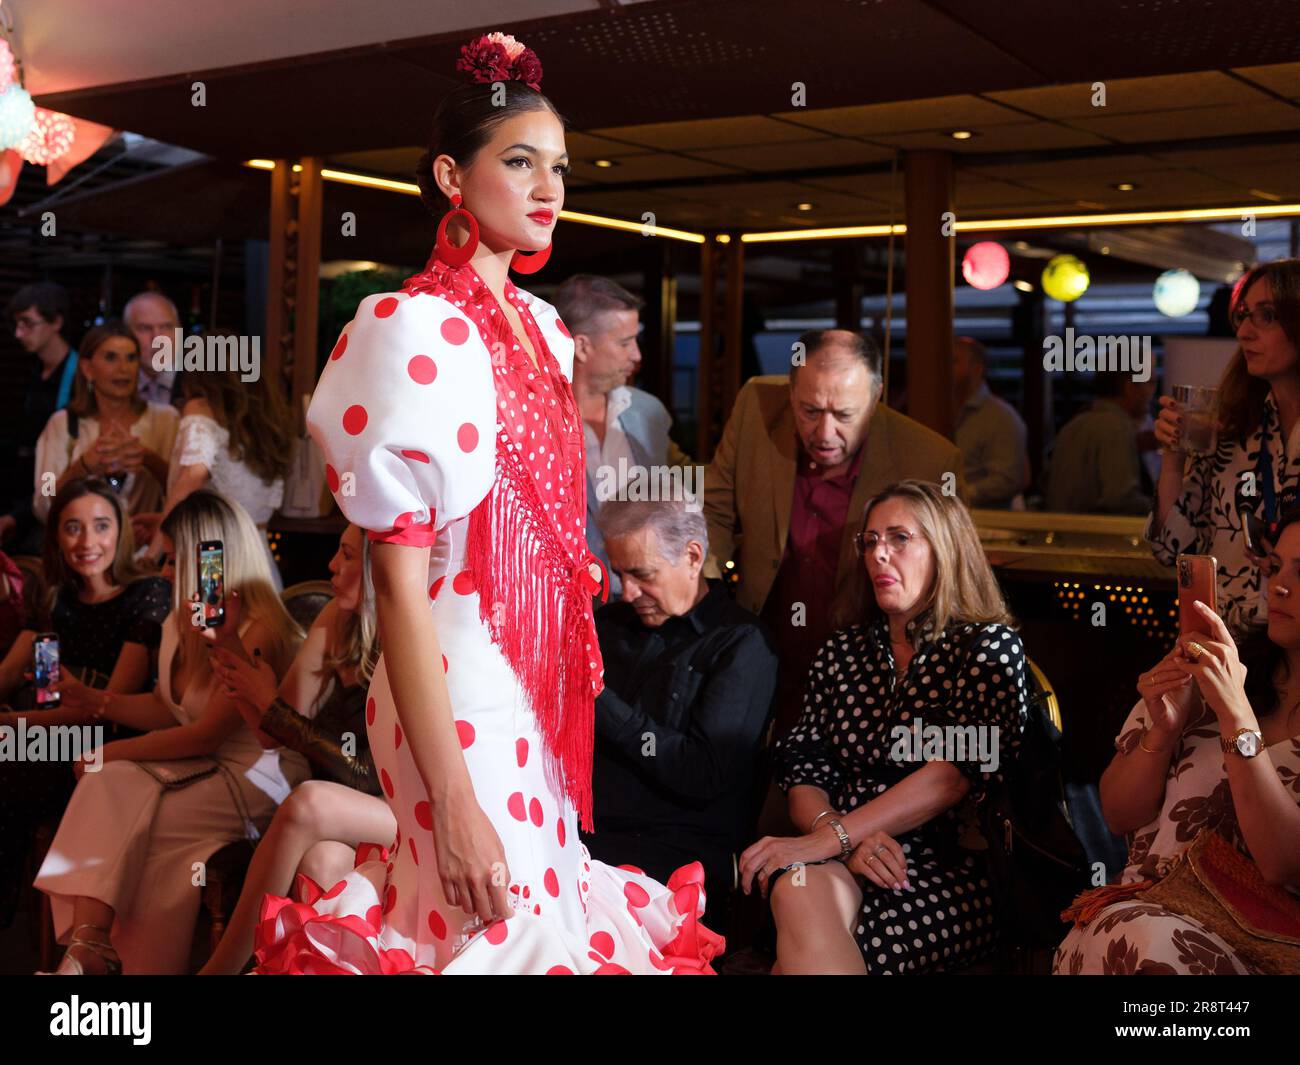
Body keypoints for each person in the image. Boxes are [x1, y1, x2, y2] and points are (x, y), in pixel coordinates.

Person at [249, 32, 721, 976]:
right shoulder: (411, 325)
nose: (549, 188)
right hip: (455, 679)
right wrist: (454, 801)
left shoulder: (547, 329)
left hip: (537, 680)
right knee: (482, 931)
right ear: (449, 177)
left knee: (537, 919)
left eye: (559, 168)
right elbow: (400, 587)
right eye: (519, 162)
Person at [740, 479, 1029, 974]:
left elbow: (952, 774)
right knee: (798, 886)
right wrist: (839, 837)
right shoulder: (843, 651)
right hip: (845, 856)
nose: (879, 554)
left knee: (798, 924)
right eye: (870, 541)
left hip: (943, 867)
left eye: (899, 538)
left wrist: (831, 840)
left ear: (945, 548)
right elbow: (806, 768)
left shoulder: (986, 647)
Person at [33, 489, 308, 974]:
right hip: (199, 766)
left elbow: (205, 735)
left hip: (258, 773)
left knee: (135, 822)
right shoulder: (180, 622)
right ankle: (90, 945)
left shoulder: (257, 628)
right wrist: (96, 701)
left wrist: (110, 751)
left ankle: (100, 963)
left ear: (213, 558)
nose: (162, 573)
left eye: (173, 560)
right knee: (112, 787)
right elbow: (169, 711)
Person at [1055, 506, 1300, 974]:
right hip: (1143, 913)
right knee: (1137, 937)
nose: (1280, 585)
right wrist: (1163, 732)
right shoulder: (1213, 671)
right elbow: (1118, 813)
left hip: (1265, 948)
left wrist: (1236, 715)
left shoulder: (1229, 692)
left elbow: (1283, 864)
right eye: (1274, 568)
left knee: (1148, 944)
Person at [703, 328, 965, 738]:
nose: (824, 434)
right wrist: (709, 602)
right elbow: (714, 509)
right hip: (761, 647)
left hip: (864, 669)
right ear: (791, 392)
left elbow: (947, 578)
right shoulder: (756, 406)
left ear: (876, 398)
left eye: (844, 415)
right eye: (809, 411)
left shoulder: (930, 458)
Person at [198, 523, 393, 974]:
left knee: (307, 802)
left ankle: (222, 968)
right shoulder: (334, 620)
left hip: (395, 811)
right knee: (321, 863)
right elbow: (273, 732)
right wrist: (227, 644)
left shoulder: (405, 640)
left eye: (346, 556)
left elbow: (368, 775)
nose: (331, 566)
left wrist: (272, 706)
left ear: (375, 570)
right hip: (332, 821)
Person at [582, 499, 777, 932]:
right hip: (584, 839)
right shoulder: (609, 625)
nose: (627, 592)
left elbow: (703, 774)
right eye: (619, 574)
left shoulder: (741, 643)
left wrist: (598, 697)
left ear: (692, 557)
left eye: (642, 574)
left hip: (678, 855)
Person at [0, 479, 169, 928]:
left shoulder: (148, 593)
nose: (88, 542)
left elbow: (103, 707)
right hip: (54, 728)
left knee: (8, 761)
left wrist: (15, 725)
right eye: (73, 528)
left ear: (121, 532)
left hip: (111, 737)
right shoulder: (56, 599)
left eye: (101, 526)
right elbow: (48, 689)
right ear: (55, 535)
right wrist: (24, 720)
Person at [1149, 259, 1300, 633]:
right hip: (1234, 641)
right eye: (1244, 316)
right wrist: (1173, 455)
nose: (1245, 332)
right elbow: (1172, 550)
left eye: (1266, 316)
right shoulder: (1235, 429)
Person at [554, 274, 693, 595]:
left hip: (641, 609)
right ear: (582, 346)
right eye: (624, 342)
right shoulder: (534, 419)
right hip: (565, 607)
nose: (637, 356)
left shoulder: (648, 413)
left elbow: (684, 485)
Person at [141, 346, 293, 586]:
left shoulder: (200, 409)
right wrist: (163, 519)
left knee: (209, 619)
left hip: (214, 557)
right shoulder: (262, 424)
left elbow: (191, 478)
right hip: (260, 562)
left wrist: (152, 555)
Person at [32, 321, 179, 525]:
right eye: (111, 358)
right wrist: (80, 468)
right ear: (88, 368)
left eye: (131, 358)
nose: (123, 368)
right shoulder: (62, 424)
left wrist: (148, 460)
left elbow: (185, 493)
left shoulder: (166, 419)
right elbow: (43, 500)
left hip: (146, 551)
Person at [3, 283, 79, 551]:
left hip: (53, 494)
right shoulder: (33, 369)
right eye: (16, 324)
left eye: (27, 323)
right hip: (24, 489)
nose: (18, 333)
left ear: (56, 321)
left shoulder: (80, 376)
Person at [1046, 373, 1155, 515]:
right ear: (1129, 387)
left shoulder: (1072, 425)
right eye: (1150, 383)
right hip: (1095, 534)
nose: (1153, 391)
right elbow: (1120, 500)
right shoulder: (1116, 427)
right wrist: (1165, 508)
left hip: (1061, 532)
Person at [952, 336, 1028, 508]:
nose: (945, 368)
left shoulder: (1001, 417)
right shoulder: (939, 412)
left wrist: (960, 496)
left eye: (954, 361)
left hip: (984, 522)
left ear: (977, 369)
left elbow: (1007, 480)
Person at [123, 291, 184, 407]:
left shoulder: (200, 386)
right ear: (126, 334)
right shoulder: (110, 384)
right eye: (145, 328)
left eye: (166, 327)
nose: (157, 338)